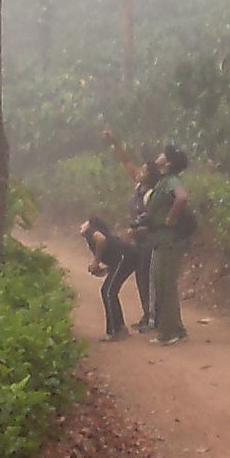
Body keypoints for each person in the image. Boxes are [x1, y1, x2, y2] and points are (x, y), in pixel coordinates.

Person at [100, 130, 156, 331]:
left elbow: (153, 222)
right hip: (139, 240)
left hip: (148, 239)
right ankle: (147, 314)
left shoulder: (151, 194)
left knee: (148, 278)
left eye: (143, 170)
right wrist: (116, 142)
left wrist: (134, 233)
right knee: (141, 277)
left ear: (150, 175)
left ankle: (153, 318)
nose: (139, 171)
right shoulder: (140, 187)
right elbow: (127, 163)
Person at [143, 143, 194, 345]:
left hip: (169, 241)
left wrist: (171, 218)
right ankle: (177, 329)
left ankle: (167, 333)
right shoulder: (163, 181)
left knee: (165, 285)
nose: (159, 155)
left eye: (163, 154)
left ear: (169, 161)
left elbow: (182, 197)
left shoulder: (171, 180)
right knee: (164, 284)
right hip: (162, 240)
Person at [79, 214, 144, 339]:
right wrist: (105, 270)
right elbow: (112, 254)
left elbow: (101, 240)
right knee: (109, 291)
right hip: (127, 257)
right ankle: (120, 328)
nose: (81, 226)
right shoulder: (97, 234)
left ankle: (115, 331)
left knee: (108, 291)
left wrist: (95, 262)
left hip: (125, 257)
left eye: (84, 223)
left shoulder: (90, 230)